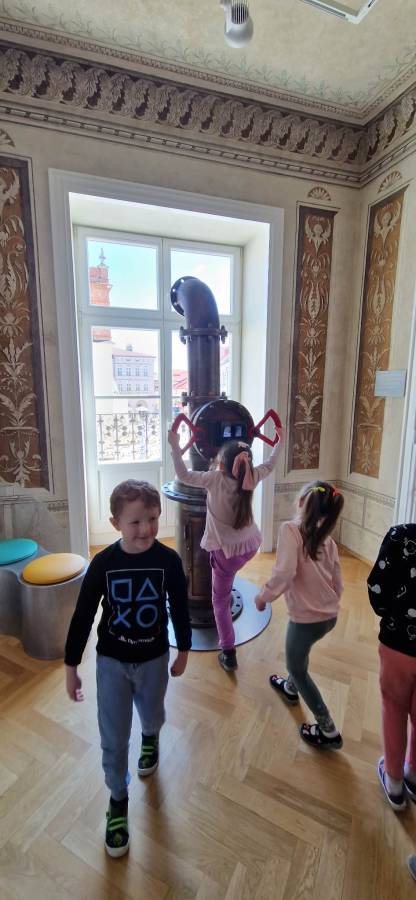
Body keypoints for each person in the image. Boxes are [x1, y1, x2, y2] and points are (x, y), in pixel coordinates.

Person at [64, 479, 192, 858]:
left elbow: (179, 607)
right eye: (135, 522)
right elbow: (83, 615)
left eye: (152, 518)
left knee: (152, 714)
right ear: (115, 523)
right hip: (112, 664)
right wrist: (71, 665)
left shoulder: (168, 561)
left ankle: (150, 736)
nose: (146, 529)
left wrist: (183, 649)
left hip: (154, 660)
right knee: (114, 737)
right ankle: (118, 799)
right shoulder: (103, 564)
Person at [168, 427, 283, 672]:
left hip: (225, 554)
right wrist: (279, 442)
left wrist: (175, 446)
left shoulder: (214, 479)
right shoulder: (252, 475)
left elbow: (183, 474)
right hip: (250, 546)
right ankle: (234, 583)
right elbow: (271, 464)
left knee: (219, 601)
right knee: (228, 577)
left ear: (220, 464)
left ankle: (228, 652)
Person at [255, 481, 344, 749]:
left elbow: (284, 573)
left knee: (296, 666)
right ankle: (290, 688)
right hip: (329, 617)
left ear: (302, 502)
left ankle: (327, 729)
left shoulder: (290, 531)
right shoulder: (329, 541)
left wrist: (264, 596)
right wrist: (328, 602)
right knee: (300, 653)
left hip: (306, 620)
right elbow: (337, 582)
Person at [367, 522, 416, 811]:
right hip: (398, 641)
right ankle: (414, 775)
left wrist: (390, 614)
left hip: (398, 643)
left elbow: (377, 588)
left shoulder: (400, 535)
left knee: (394, 707)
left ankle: (395, 782)